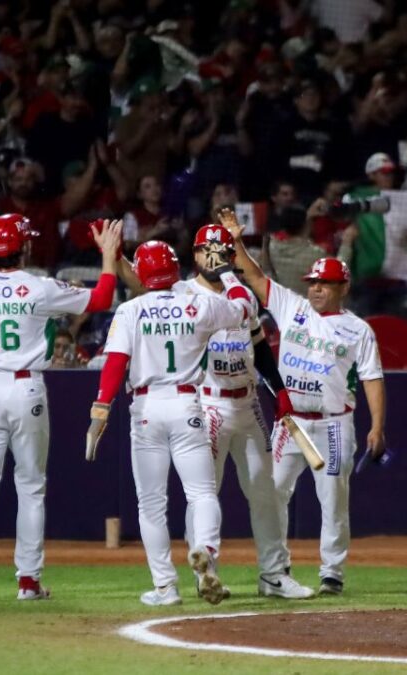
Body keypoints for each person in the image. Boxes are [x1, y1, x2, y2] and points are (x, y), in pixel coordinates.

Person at [117, 223, 316, 600]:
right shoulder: (178, 291)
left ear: (230, 257)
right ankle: (205, 569)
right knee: (204, 492)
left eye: (223, 251)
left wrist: (281, 392)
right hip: (205, 402)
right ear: (194, 256)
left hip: (248, 402)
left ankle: (274, 574)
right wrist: (114, 256)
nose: (215, 258)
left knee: (265, 492)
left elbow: (260, 349)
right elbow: (140, 282)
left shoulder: (243, 296)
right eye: (208, 251)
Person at [0, 215, 123, 602]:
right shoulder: (36, 287)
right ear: (22, 247)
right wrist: (108, 255)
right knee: (30, 486)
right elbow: (102, 299)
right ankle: (28, 582)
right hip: (25, 388)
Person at [219, 208, 387, 596]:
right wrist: (236, 242)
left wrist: (377, 425)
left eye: (324, 284)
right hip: (291, 421)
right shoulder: (292, 307)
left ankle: (332, 573)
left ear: (342, 287)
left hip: (333, 423)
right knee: (272, 492)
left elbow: (373, 379)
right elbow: (257, 278)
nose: (315, 289)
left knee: (333, 499)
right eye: (313, 282)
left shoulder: (358, 330)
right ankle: (276, 568)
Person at [86, 238, 260, 607]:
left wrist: (100, 409)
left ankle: (165, 588)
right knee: (201, 493)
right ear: (175, 268)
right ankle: (206, 550)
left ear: (143, 273)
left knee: (151, 504)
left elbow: (115, 363)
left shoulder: (131, 310)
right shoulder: (200, 303)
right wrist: (227, 273)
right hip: (188, 405)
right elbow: (246, 307)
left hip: (147, 409)